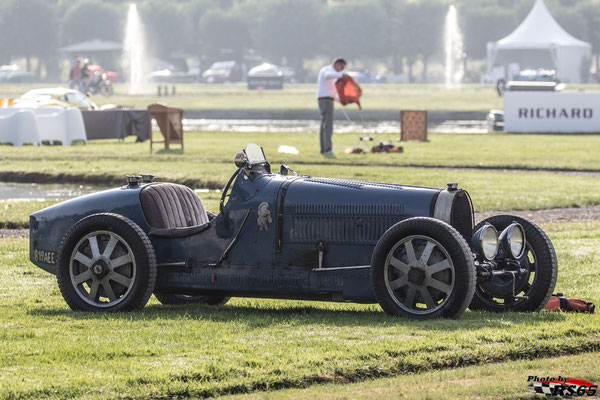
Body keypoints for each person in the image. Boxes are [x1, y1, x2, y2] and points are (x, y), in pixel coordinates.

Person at [317, 58, 348, 155]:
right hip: (325, 100)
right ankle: (327, 149)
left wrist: (341, 100)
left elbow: (332, 91)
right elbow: (327, 76)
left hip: (329, 99)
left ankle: (324, 149)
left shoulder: (334, 75)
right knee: (328, 125)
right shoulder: (327, 70)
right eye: (341, 67)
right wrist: (340, 75)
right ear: (337, 64)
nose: (341, 69)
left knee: (325, 124)